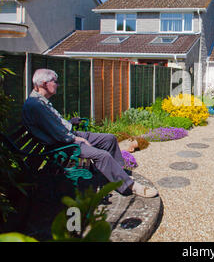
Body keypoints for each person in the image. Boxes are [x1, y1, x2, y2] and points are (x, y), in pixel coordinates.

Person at [22, 68, 158, 198]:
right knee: (102, 155)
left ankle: (119, 174)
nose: (57, 84)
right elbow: (58, 134)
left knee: (109, 139)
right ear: (45, 84)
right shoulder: (36, 105)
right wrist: (77, 139)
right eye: (55, 81)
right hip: (62, 145)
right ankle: (129, 185)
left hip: (67, 136)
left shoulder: (41, 101)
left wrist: (69, 123)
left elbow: (52, 125)